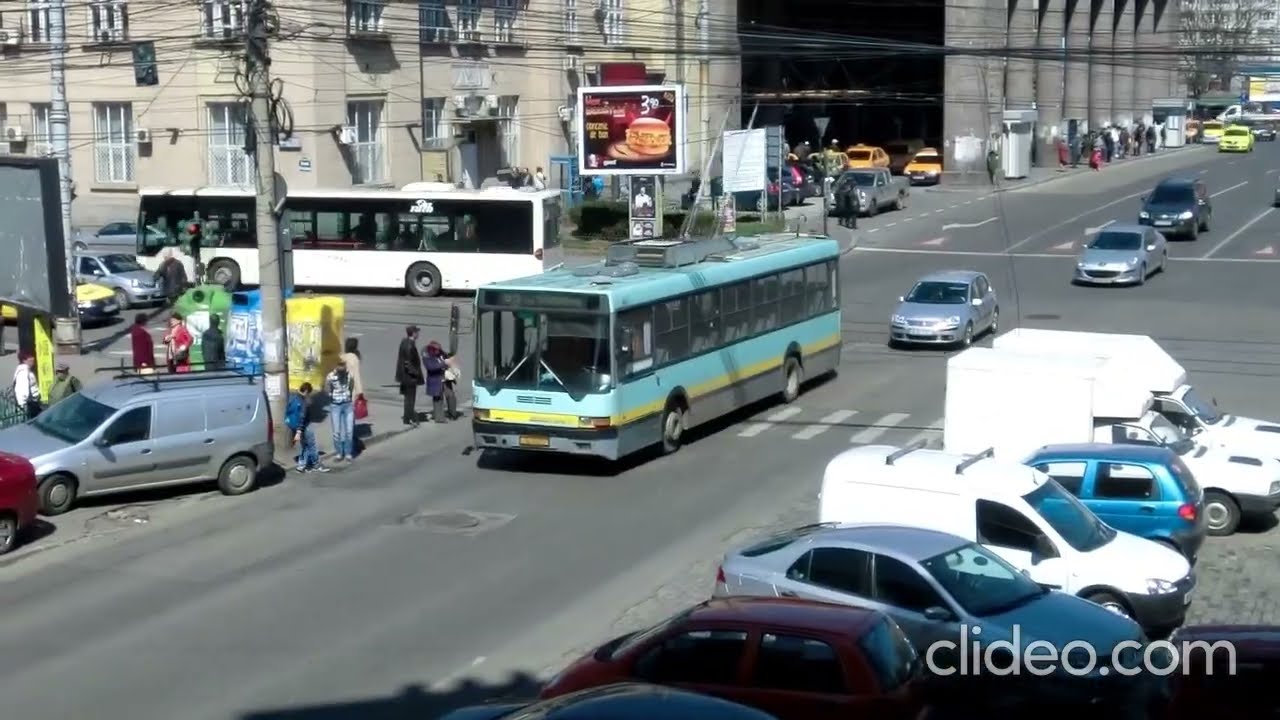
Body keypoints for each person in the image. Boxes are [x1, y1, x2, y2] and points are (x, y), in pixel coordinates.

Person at [286, 382, 329, 473]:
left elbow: (288, 411)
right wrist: (299, 432)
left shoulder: (293, 397)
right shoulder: (303, 403)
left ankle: (301, 466)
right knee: (312, 446)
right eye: (308, 393)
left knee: (304, 446)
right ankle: (316, 465)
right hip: (304, 427)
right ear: (306, 391)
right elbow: (302, 418)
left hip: (293, 425)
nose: (308, 395)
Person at [324, 357, 356, 462]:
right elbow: (327, 388)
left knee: (349, 431)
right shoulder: (330, 376)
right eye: (339, 365)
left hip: (347, 405)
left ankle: (348, 453)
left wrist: (349, 396)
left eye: (343, 365)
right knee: (336, 432)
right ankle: (339, 453)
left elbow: (351, 386)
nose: (342, 367)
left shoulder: (349, 375)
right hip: (335, 406)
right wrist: (330, 395)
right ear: (336, 366)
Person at [394, 325, 424, 426]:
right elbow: (408, 363)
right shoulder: (410, 345)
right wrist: (415, 373)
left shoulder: (405, 342)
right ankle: (409, 418)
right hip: (409, 377)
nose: (418, 334)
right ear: (414, 333)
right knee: (410, 398)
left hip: (404, 376)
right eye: (417, 332)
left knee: (408, 398)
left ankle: (407, 417)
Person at [422, 340, 451, 423]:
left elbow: (446, 356)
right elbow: (431, 367)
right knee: (437, 399)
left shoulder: (439, 353)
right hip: (434, 380)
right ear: (433, 350)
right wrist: (443, 364)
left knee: (440, 398)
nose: (439, 351)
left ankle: (438, 415)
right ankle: (439, 418)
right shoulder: (427, 357)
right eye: (437, 350)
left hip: (441, 378)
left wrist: (447, 359)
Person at [12, 352, 41, 419]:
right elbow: (22, 391)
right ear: (24, 360)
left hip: (32, 404)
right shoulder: (23, 373)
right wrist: (23, 407)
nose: (33, 359)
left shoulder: (26, 370)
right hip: (29, 406)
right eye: (30, 358)